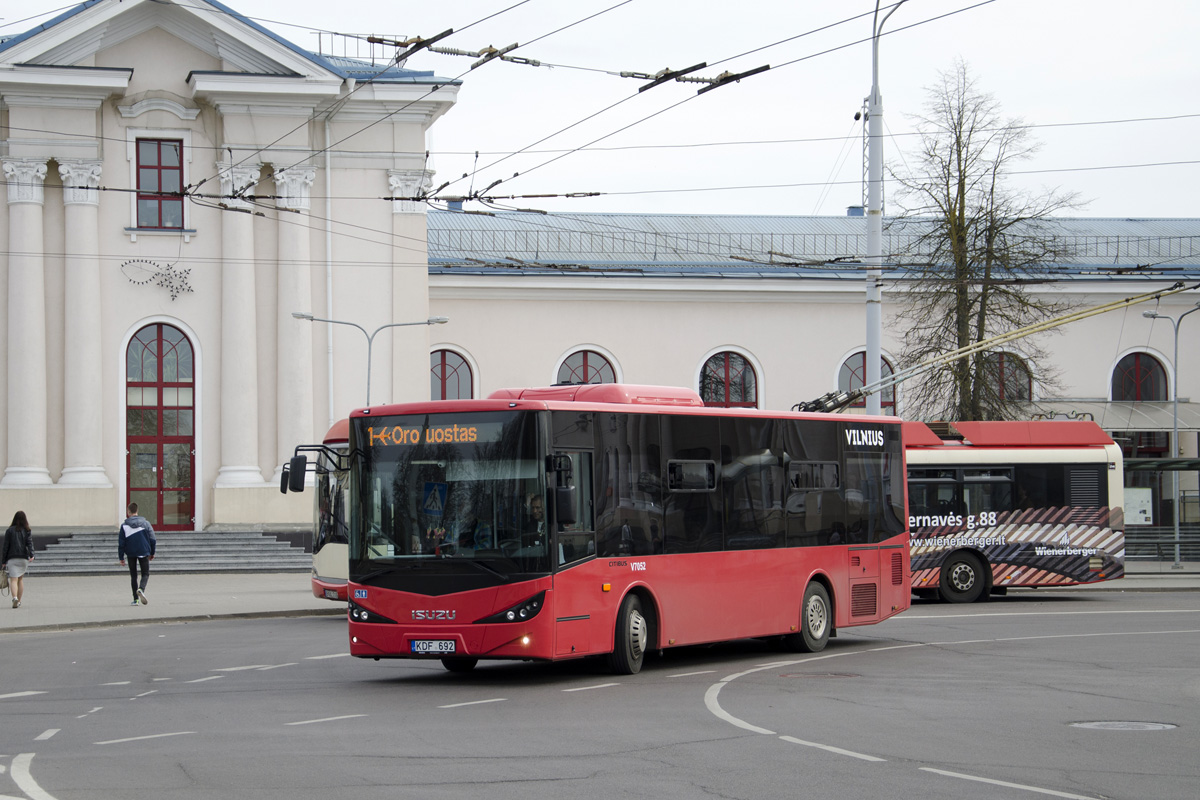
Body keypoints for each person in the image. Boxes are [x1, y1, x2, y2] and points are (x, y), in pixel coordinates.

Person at [118, 502, 156, 606]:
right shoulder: (146, 523)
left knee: (133, 576)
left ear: (128, 512)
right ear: (137, 511)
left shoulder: (124, 525)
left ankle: (135, 600)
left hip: (130, 553)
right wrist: (152, 552)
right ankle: (141, 589)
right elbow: (153, 539)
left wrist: (121, 557)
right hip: (143, 551)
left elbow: (121, 543)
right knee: (145, 573)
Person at [2, 510, 34, 609]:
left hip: (12, 558)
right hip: (23, 558)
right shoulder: (27, 530)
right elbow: (29, 543)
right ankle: (19, 601)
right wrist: (32, 554)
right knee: (20, 579)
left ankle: (14, 598)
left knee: (13, 580)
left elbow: (5, 546)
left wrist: (3, 561)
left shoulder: (9, 531)